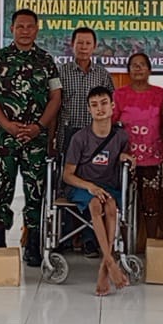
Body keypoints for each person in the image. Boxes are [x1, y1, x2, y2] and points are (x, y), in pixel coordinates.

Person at [0, 9, 62, 267]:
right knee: (1, 188)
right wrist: (6, 125)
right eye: (20, 26)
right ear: (12, 29)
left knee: (35, 191)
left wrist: (40, 126)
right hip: (5, 138)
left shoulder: (46, 60)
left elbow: (56, 98)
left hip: (36, 139)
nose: (25, 31)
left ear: (37, 29)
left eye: (29, 26)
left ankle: (32, 245)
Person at [63, 87, 134, 296]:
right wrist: (90, 187)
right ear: (89, 110)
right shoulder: (80, 138)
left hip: (108, 187)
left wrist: (126, 158)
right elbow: (67, 175)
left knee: (110, 206)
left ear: (112, 106)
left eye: (104, 103)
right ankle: (110, 263)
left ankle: (105, 264)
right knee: (96, 204)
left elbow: (126, 157)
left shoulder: (120, 136)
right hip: (83, 186)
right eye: (94, 105)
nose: (99, 109)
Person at [113, 52, 163, 242]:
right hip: (126, 161)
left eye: (142, 64)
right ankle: (124, 245)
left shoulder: (160, 94)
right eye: (134, 65)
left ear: (150, 70)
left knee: (151, 205)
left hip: (153, 159)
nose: (138, 68)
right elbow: (111, 126)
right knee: (124, 204)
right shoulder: (119, 95)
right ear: (128, 70)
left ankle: (151, 244)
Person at [57, 27, 114, 156]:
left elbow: (110, 108)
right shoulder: (60, 72)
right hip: (68, 133)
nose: (84, 47)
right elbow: (54, 105)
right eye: (80, 43)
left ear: (94, 46)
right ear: (72, 44)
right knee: (67, 167)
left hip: (96, 134)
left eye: (88, 43)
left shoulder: (103, 75)